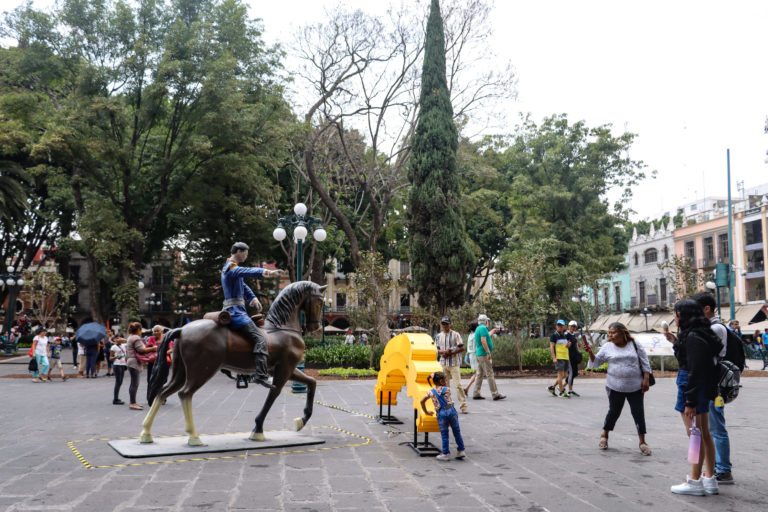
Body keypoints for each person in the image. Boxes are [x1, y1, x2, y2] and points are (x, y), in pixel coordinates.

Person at [665, 299, 720, 496]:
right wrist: (676, 343)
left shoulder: (693, 338)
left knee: (695, 434)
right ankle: (709, 478)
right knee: (704, 432)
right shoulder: (701, 334)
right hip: (699, 386)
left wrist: (690, 401)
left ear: (683, 315)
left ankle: (695, 480)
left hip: (690, 386)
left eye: (676, 314)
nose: (674, 318)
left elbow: (693, 369)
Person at [221, 242, 285, 388]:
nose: (246, 256)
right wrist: (268, 272)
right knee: (261, 339)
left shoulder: (232, 269)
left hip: (239, 310)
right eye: (245, 253)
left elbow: (243, 286)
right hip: (235, 312)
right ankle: (261, 375)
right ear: (238, 251)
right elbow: (246, 271)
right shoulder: (231, 267)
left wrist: (253, 299)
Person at [691, 292, 737, 486]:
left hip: (711, 383)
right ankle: (708, 469)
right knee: (703, 428)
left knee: (714, 427)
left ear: (706, 309)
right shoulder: (709, 327)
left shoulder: (716, 328)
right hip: (705, 382)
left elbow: (704, 354)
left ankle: (723, 469)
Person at [584, 322, 652, 455]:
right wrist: (591, 353)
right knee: (614, 411)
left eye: (613, 332)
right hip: (614, 386)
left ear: (622, 333)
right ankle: (605, 435)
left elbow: (645, 361)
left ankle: (642, 442)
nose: (610, 335)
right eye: (609, 333)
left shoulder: (634, 344)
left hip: (635, 386)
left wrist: (646, 379)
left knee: (638, 412)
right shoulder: (607, 346)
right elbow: (596, 363)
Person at [420, 371, 466, 461]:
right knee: (457, 432)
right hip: (451, 411)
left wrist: (426, 412)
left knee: (444, 434)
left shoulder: (430, 392)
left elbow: (422, 401)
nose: (446, 380)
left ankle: (446, 453)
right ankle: (461, 450)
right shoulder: (448, 389)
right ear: (441, 381)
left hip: (441, 414)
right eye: (445, 379)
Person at [434, 316, 467, 414]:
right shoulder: (439, 336)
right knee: (445, 386)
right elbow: (437, 350)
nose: (445, 326)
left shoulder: (455, 334)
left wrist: (450, 353)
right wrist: (444, 352)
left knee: (458, 385)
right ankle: (450, 405)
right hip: (443, 363)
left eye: (446, 324)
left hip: (454, 363)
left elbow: (461, 348)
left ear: (450, 324)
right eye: (443, 324)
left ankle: (463, 405)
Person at [125, 321, 159, 410]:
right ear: (139, 330)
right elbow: (141, 350)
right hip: (134, 362)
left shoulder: (131, 337)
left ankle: (133, 402)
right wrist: (153, 348)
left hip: (131, 361)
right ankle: (132, 403)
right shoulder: (136, 337)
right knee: (134, 384)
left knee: (133, 383)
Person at [471, 314, 505, 400]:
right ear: (486, 321)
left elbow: (486, 336)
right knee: (489, 373)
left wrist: (493, 331)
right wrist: (488, 352)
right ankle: (495, 394)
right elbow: (483, 340)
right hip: (484, 354)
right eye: (487, 321)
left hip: (480, 354)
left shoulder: (479, 328)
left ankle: (476, 392)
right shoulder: (483, 328)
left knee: (479, 374)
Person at [548, 320, 571, 397]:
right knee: (560, 375)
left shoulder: (564, 335)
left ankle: (552, 387)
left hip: (565, 357)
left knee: (565, 375)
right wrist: (554, 357)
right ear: (556, 326)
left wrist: (568, 345)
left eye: (561, 325)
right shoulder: (554, 335)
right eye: (558, 325)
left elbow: (565, 346)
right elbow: (551, 347)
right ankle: (561, 391)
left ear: (564, 326)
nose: (560, 327)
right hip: (559, 357)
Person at [144, 326, 163, 403]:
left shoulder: (165, 338)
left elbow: (170, 349)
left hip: (162, 362)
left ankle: (162, 397)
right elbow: (148, 347)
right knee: (150, 379)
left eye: (157, 331)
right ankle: (150, 397)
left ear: (161, 331)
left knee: (161, 380)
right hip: (152, 361)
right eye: (154, 331)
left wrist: (162, 353)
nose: (155, 333)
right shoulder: (151, 338)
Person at [565, 320, 583, 397]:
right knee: (571, 373)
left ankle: (559, 386)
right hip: (569, 356)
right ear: (568, 326)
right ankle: (570, 390)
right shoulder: (566, 335)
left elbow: (576, 345)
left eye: (574, 326)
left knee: (575, 373)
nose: (573, 328)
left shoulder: (574, 335)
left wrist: (578, 352)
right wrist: (567, 346)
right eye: (571, 326)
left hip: (574, 356)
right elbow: (564, 345)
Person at [109, 336, 127, 405]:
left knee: (120, 382)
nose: (119, 339)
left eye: (120, 338)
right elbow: (110, 358)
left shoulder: (124, 345)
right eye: (117, 338)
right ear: (115, 340)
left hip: (123, 365)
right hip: (117, 365)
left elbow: (131, 342)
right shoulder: (113, 347)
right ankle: (115, 399)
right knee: (118, 381)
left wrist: (124, 339)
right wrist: (116, 357)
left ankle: (116, 398)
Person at [463, 320, 479, 395]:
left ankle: (467, 388)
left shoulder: (470, 335)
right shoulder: (476, 335)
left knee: (477, 373)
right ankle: (469, 388)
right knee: (478, 373)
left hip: (471, 355)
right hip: (475, 355)